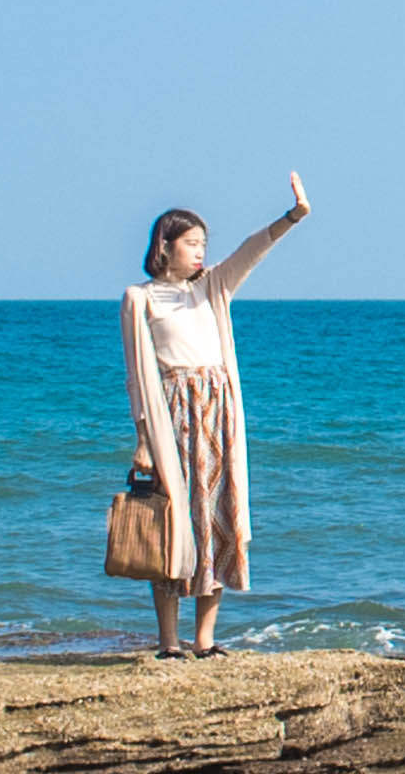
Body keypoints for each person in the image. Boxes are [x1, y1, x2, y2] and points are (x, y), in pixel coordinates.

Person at [123, 174, 309, 658]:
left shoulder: (213, 287)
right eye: (192, 243)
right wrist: (143, 437)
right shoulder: (139, 298)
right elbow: (135, 374)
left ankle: (204, 640)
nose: (201, 252)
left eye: (205, 243)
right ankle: (168, 641)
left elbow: (252, 250)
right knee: (173, 525)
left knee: (220, 519)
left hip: (218, 412)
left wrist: (292, 216)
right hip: (172, 416)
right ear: (165, 246)